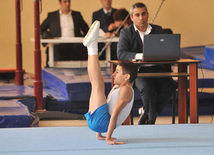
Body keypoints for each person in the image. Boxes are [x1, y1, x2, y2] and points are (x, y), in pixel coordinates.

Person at [117, 2, 176, 125]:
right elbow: (121, 54)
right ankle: (150, 120)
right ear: (132, 18)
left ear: (147, 15)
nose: (141, 18)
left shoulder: (158, 29)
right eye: (137, 15)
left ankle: (147, 112)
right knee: (147, 89)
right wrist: (140, 56)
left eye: (143, 14)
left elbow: (164, 49)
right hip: (138, 72)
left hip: (157, 69)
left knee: (170, 85)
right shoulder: (126, 33)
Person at [83, 21, 138, 145]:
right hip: (98, 123)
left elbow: (115, 115)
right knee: (95, 83)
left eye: (117, 72)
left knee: (98, 84)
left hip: (103, 123)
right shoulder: (119, 87)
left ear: (127, 76)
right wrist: (99, 134)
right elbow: (107, 106)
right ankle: (91, 47)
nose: (113, 74)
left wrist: (108, 138)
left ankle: (92, 47)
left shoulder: (126, 90)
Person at [40, 0, 89, 67]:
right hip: (59, 45)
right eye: (65, 2)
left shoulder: (77, 15)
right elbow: (40, 29)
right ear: (60, 3)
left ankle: (85, 73)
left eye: (69, 1)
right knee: (53, 49)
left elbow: (87, 30)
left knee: (84, 48)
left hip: (75, 45)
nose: (67, 4)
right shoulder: (52, 16)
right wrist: (46, 42)